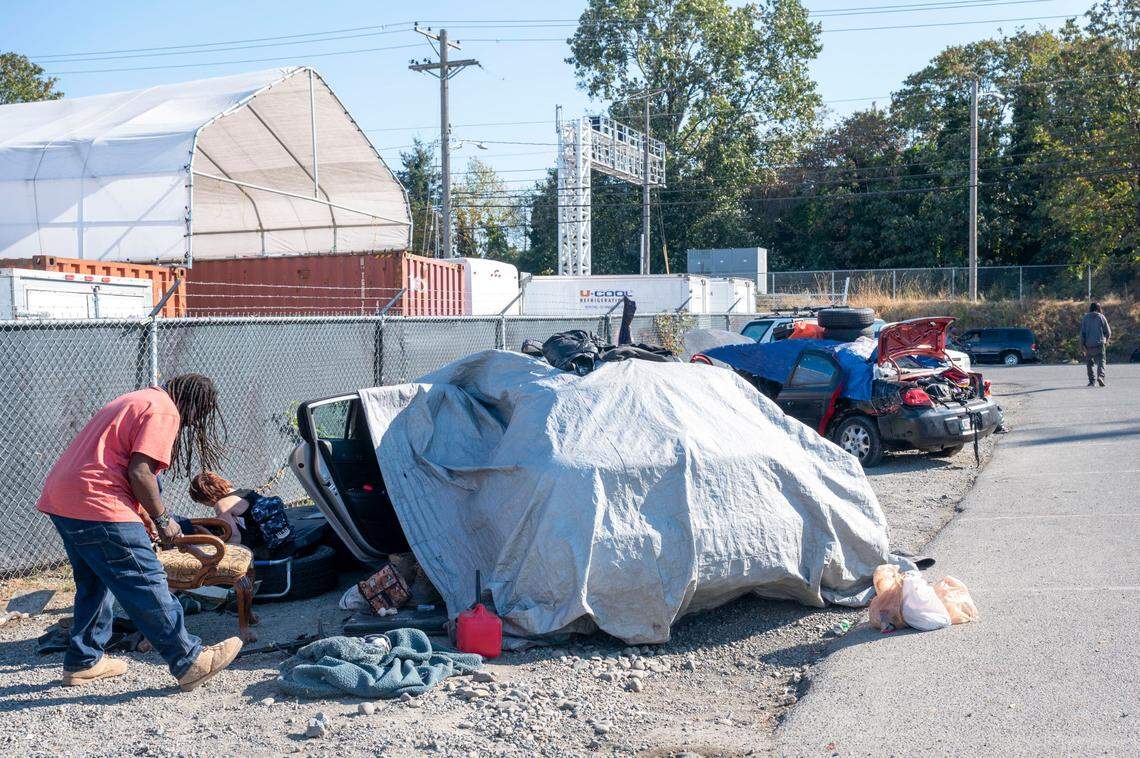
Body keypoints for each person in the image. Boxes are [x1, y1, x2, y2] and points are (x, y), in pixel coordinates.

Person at [36, 374, 243, 691]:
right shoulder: (164, 410)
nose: (190, 424)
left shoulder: (137, 400)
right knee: (145, 580)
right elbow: (140, 472)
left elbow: (120, 464)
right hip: (98, 502)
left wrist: (146, 516)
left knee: (95, 581)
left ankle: (84, 660)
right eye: (195, 417)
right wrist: (163, 521)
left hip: (64, 498)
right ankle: (189, 660)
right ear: (189, 403)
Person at [187, 471, 292, 553]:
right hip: (278, 536)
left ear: (206, 497)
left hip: (260, 545)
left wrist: (209, 537)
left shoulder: (222, 505)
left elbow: (235, 538)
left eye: (200, 501)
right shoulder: (245, 492)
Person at [1079, 302, 1111, 387]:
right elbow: (1108, 332)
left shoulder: (1085, 318)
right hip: (1099, 344)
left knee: (1089, 363)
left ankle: (1091, 381)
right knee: (1101, 362)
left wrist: (1082, 346)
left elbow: (1082, 334)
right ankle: (1100, 377)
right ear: (1098, 308)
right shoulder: (1101, 317)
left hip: (1088, 345)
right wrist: (1105, 341)